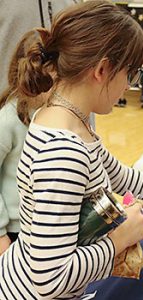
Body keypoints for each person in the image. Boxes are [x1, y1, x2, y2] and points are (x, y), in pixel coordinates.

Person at [0, 2, 143, 299]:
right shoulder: (65, 151)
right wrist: (120, 238)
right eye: (130, 76)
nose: (128, 88)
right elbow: (50, 279)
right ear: (103, 69)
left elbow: (118, 174)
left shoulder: (62, 116)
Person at [0, 31, 49, 256]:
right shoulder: (8, 119)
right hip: (12, 231)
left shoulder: (51, 115)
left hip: (39, 227)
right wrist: (0, 233)